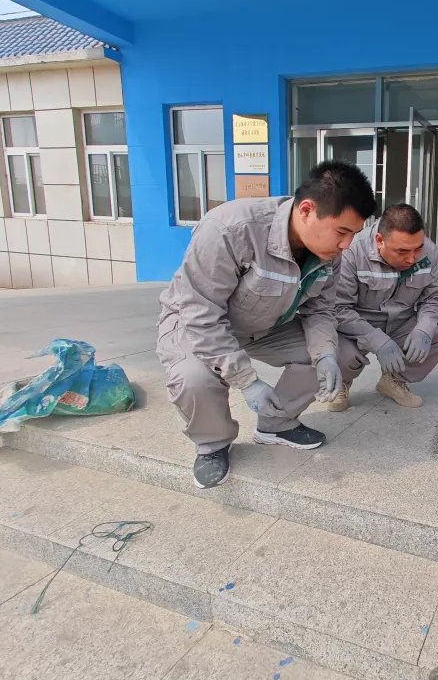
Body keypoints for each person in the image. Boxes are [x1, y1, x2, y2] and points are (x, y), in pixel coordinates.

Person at [156, 161, 376, 489]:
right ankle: (213, 443)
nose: (347, 245)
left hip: (267, 324)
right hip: (197, 324)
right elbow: (200, 312)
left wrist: (326, 354)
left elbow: (321, 311)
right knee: (194, 379)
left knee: (343, 352)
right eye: (342, 232)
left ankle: (276, 423)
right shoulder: (231, 229)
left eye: (354, 235)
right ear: (306, 210)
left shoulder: (330, 253)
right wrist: (247, 380)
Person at [329, 203, 438, 410]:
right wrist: (376, 339)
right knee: (338, 349)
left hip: (402, 322)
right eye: (402, 251)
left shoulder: (429, 251)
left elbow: (435, 297)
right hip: (357, 325)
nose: (412, 258)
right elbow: (338, 308)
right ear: (379, 241)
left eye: (417, 248)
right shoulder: (352, 251)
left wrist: (425, 328)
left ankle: (393, 381)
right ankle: (341, 381)